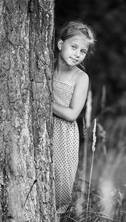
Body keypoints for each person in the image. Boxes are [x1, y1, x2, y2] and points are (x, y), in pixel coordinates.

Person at [52, 21, 96, 215]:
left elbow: (72, 114)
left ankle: (55, 217)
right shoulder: (45, 66)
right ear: (61, 45)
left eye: (83, 51)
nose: (77, 54)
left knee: (60, 186)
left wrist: (42, 103)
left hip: (65, 135)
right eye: (73, 47)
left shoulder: (81, 78)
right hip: (42, 129)